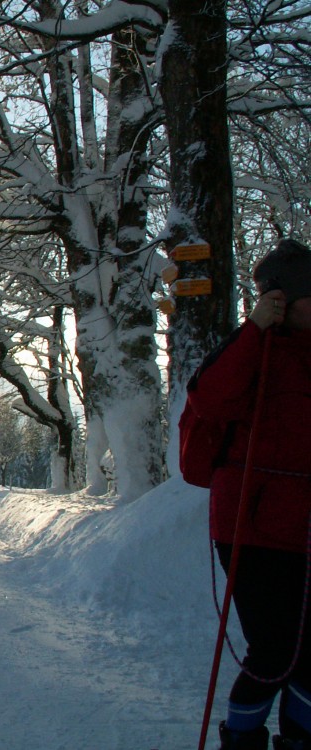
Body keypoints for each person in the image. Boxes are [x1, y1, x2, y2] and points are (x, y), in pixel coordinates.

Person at [186, 238, 311, 750]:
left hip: (305, 527)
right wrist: (255, 329)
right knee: (275, 649)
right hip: (252, 526)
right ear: (283, 300)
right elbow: (210, 399)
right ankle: (242, 741)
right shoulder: (252, 349)